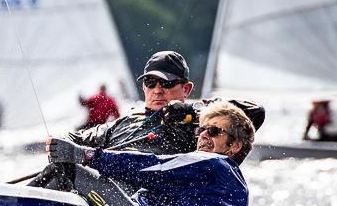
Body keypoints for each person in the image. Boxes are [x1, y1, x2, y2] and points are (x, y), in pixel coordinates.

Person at [46, 101, 255, 206]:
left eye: (214, 131)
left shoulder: (215, 164)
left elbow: (153, 167)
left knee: (70, 170)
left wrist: (86, 155)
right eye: (201, 130)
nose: (203, 135)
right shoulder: (232, 183)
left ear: (234, 146)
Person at [29, 50, 264, 190]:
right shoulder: (124, 122)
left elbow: (255, 112)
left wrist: (192, 110)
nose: (158, 90)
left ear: (186, 88)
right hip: (103, 197)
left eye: (168, 83)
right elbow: (76, 138)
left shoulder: (200, 126)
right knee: (64, 164)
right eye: (151, 83)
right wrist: (60, 141)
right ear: (143, 86)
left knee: (69, 170)